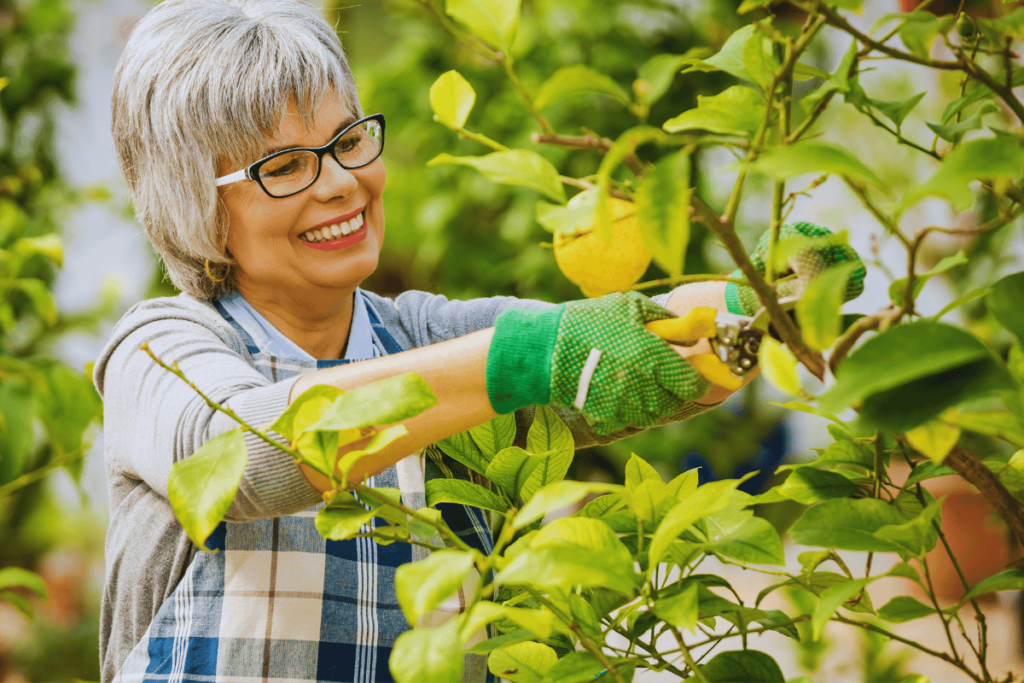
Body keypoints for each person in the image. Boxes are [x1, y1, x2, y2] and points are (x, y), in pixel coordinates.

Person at [95, 1, 863, 681]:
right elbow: (241, 459)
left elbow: (631, 339)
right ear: (193, 199)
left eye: (349, 142)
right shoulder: (161, 350)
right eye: (287, 166)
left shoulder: (418, 336)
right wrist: (527, 358)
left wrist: (759, 297)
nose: (339, 183)